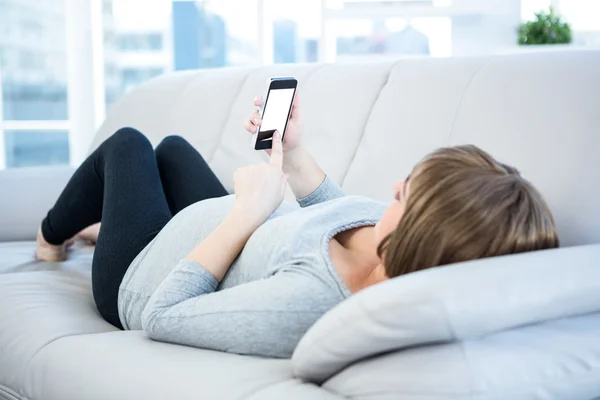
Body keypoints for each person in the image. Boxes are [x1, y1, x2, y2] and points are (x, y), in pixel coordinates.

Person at [35, 96, 559, 358]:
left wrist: (245, 214)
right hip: (211, 228)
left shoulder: (310, 300)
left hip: (140, 273)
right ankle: (104, 229)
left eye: (407, 194)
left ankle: (52, 237)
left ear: (425, 233)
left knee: (128, 145)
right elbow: (336, 207)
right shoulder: (387, 239)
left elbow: (163, 316)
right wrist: (291, 152)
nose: (396, 187)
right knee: (171, 149)